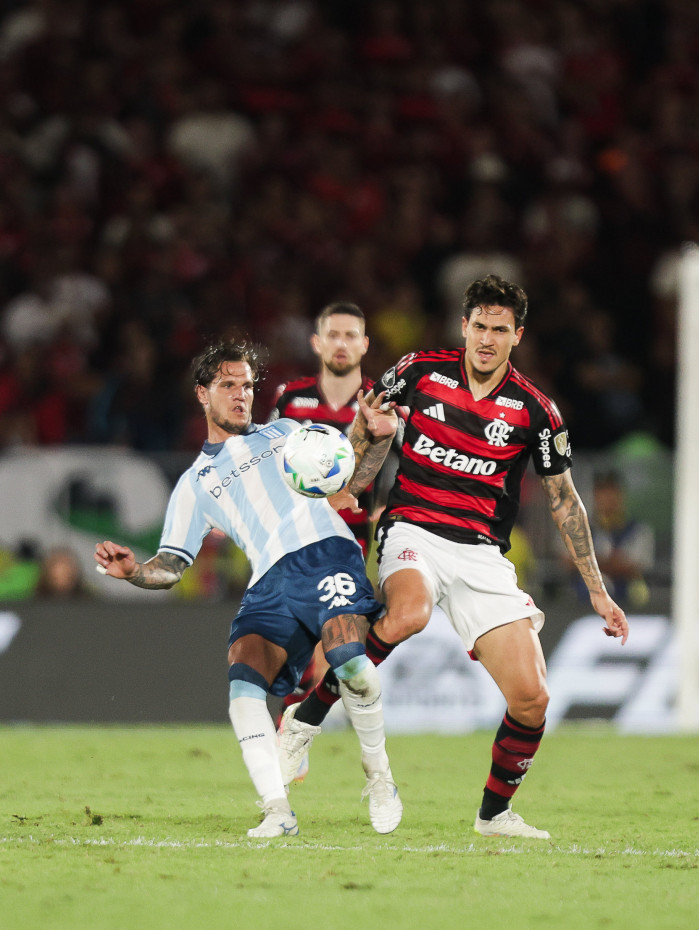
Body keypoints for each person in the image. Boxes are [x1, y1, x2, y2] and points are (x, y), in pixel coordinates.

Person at [279, 274, 629, 840]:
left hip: (482, 554)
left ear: (518, 335)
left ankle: (494, 816)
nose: (488, 339)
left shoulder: (535, 411)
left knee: (532, 698)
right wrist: (371, 437)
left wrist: (596, 588)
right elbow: (361, 468)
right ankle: (308, 717)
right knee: (410, 614)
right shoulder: (418, 372)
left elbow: (564, 500)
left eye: (501, 329)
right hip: (413, 528)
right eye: (480, 327)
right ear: (463, 327)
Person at [94, 338, 403, 838]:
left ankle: (380, 777)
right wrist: (133, 571)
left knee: (353, 666)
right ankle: (277, 811)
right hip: (269, 582)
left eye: (247, 386)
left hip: (325, 552)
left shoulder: (287, 434)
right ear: (202, 394)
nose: (241, 395)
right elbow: (172, 565)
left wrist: (377, 438)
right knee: (242, 689)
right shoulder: (194, 482)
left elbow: (349, 483)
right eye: (228, 385)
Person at [268, 302, 381, 734]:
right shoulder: (291, 398)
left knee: (325, 646)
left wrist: (387, 507)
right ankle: (295, 726)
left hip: (350, 541)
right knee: (296, 647)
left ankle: (294, 729)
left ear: (364, 344)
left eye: (351, 335)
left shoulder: (378, 402)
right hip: (294, 538)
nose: (341, 343)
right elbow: (267, 463)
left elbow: (400, 464)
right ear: (316, 342)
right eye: (333, 334)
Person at [577, 470, 654, 609]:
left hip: (628, 604)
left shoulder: (638, 531)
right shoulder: (581, 528)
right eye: (602, 492)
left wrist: (592, 562)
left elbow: (636, 566)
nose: (608, 499)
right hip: (583, 605)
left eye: (612, 492)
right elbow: (567, 560)